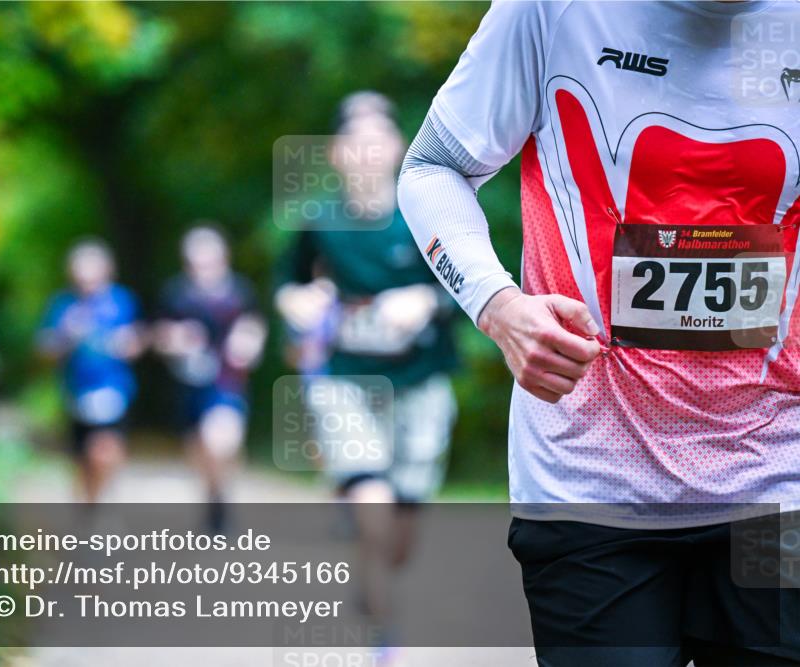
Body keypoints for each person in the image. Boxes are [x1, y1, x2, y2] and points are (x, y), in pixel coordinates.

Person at [397, 2, 800, 665]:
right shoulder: (553, 10)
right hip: (593, 479)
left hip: (775, 477)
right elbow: (433, 166)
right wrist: (497, 304)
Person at [276, 92, 460, 653]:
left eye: (378, 138)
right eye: (354, 141)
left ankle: (375, 574)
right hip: (346, 381)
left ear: (397, 147)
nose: (366, 150)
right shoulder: (319, 222)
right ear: (336, 153)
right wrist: (297, 303)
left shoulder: (428, 212)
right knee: (372, 502)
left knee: (401, 528)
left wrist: (424, 301)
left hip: (422, 381)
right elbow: (289, 284)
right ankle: (385, 628)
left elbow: (472, 287)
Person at [154, 224, 267, 533]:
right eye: (195, 263)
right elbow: (159, 335)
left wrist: (248, 344)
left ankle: (222, 499)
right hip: (188, 384)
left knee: (221, 440)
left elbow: (254, 327)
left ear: (223, 259)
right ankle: (213, 496)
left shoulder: (239, 291)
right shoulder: (176, 293)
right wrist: (176, 339)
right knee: (200, 451)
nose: (202, 269)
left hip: (226, 382)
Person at [37, 239, 146, 503]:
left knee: (106, 451)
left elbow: (138, 341)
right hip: (76, 394)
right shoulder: (62, 306)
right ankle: (89, 509)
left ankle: (101, 503)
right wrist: (65, 335)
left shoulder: (122, 301)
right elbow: (43, 350)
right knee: (82, 463)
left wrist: (124, 343)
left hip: (114, 391)